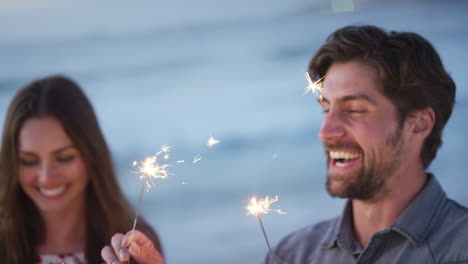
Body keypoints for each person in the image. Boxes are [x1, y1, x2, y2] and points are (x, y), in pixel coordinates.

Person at [263, 25, 468, 263]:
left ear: (419, 124)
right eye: (326, 109)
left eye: (354, 110)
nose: (325, 132)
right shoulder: (291, 255)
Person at [0, 75, 163, 263]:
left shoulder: (136, 247)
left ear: (91, 155)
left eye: (64, 158)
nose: (46, 178)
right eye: (28, 161)